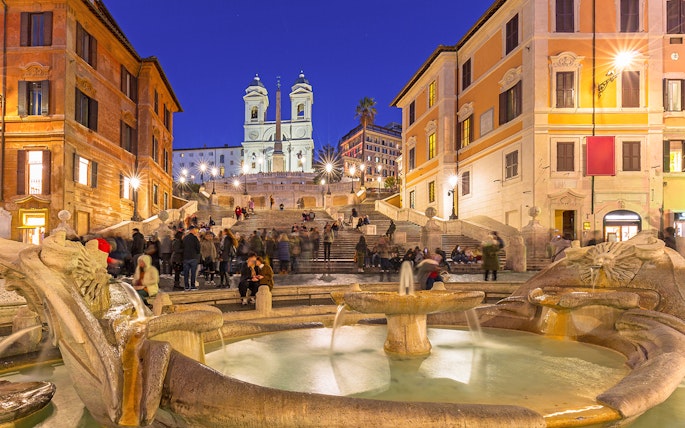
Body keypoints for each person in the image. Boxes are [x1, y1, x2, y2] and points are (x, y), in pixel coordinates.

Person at [182, 226, 201, 291]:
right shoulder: (195, 238)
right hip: (193, 257)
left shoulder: (185, 238)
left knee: (186, 273)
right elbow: (198, 247)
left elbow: (182, 247)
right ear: (192, 230)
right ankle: (192, 286)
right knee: (193, 273)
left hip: (186, 257)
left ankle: (186, 286)